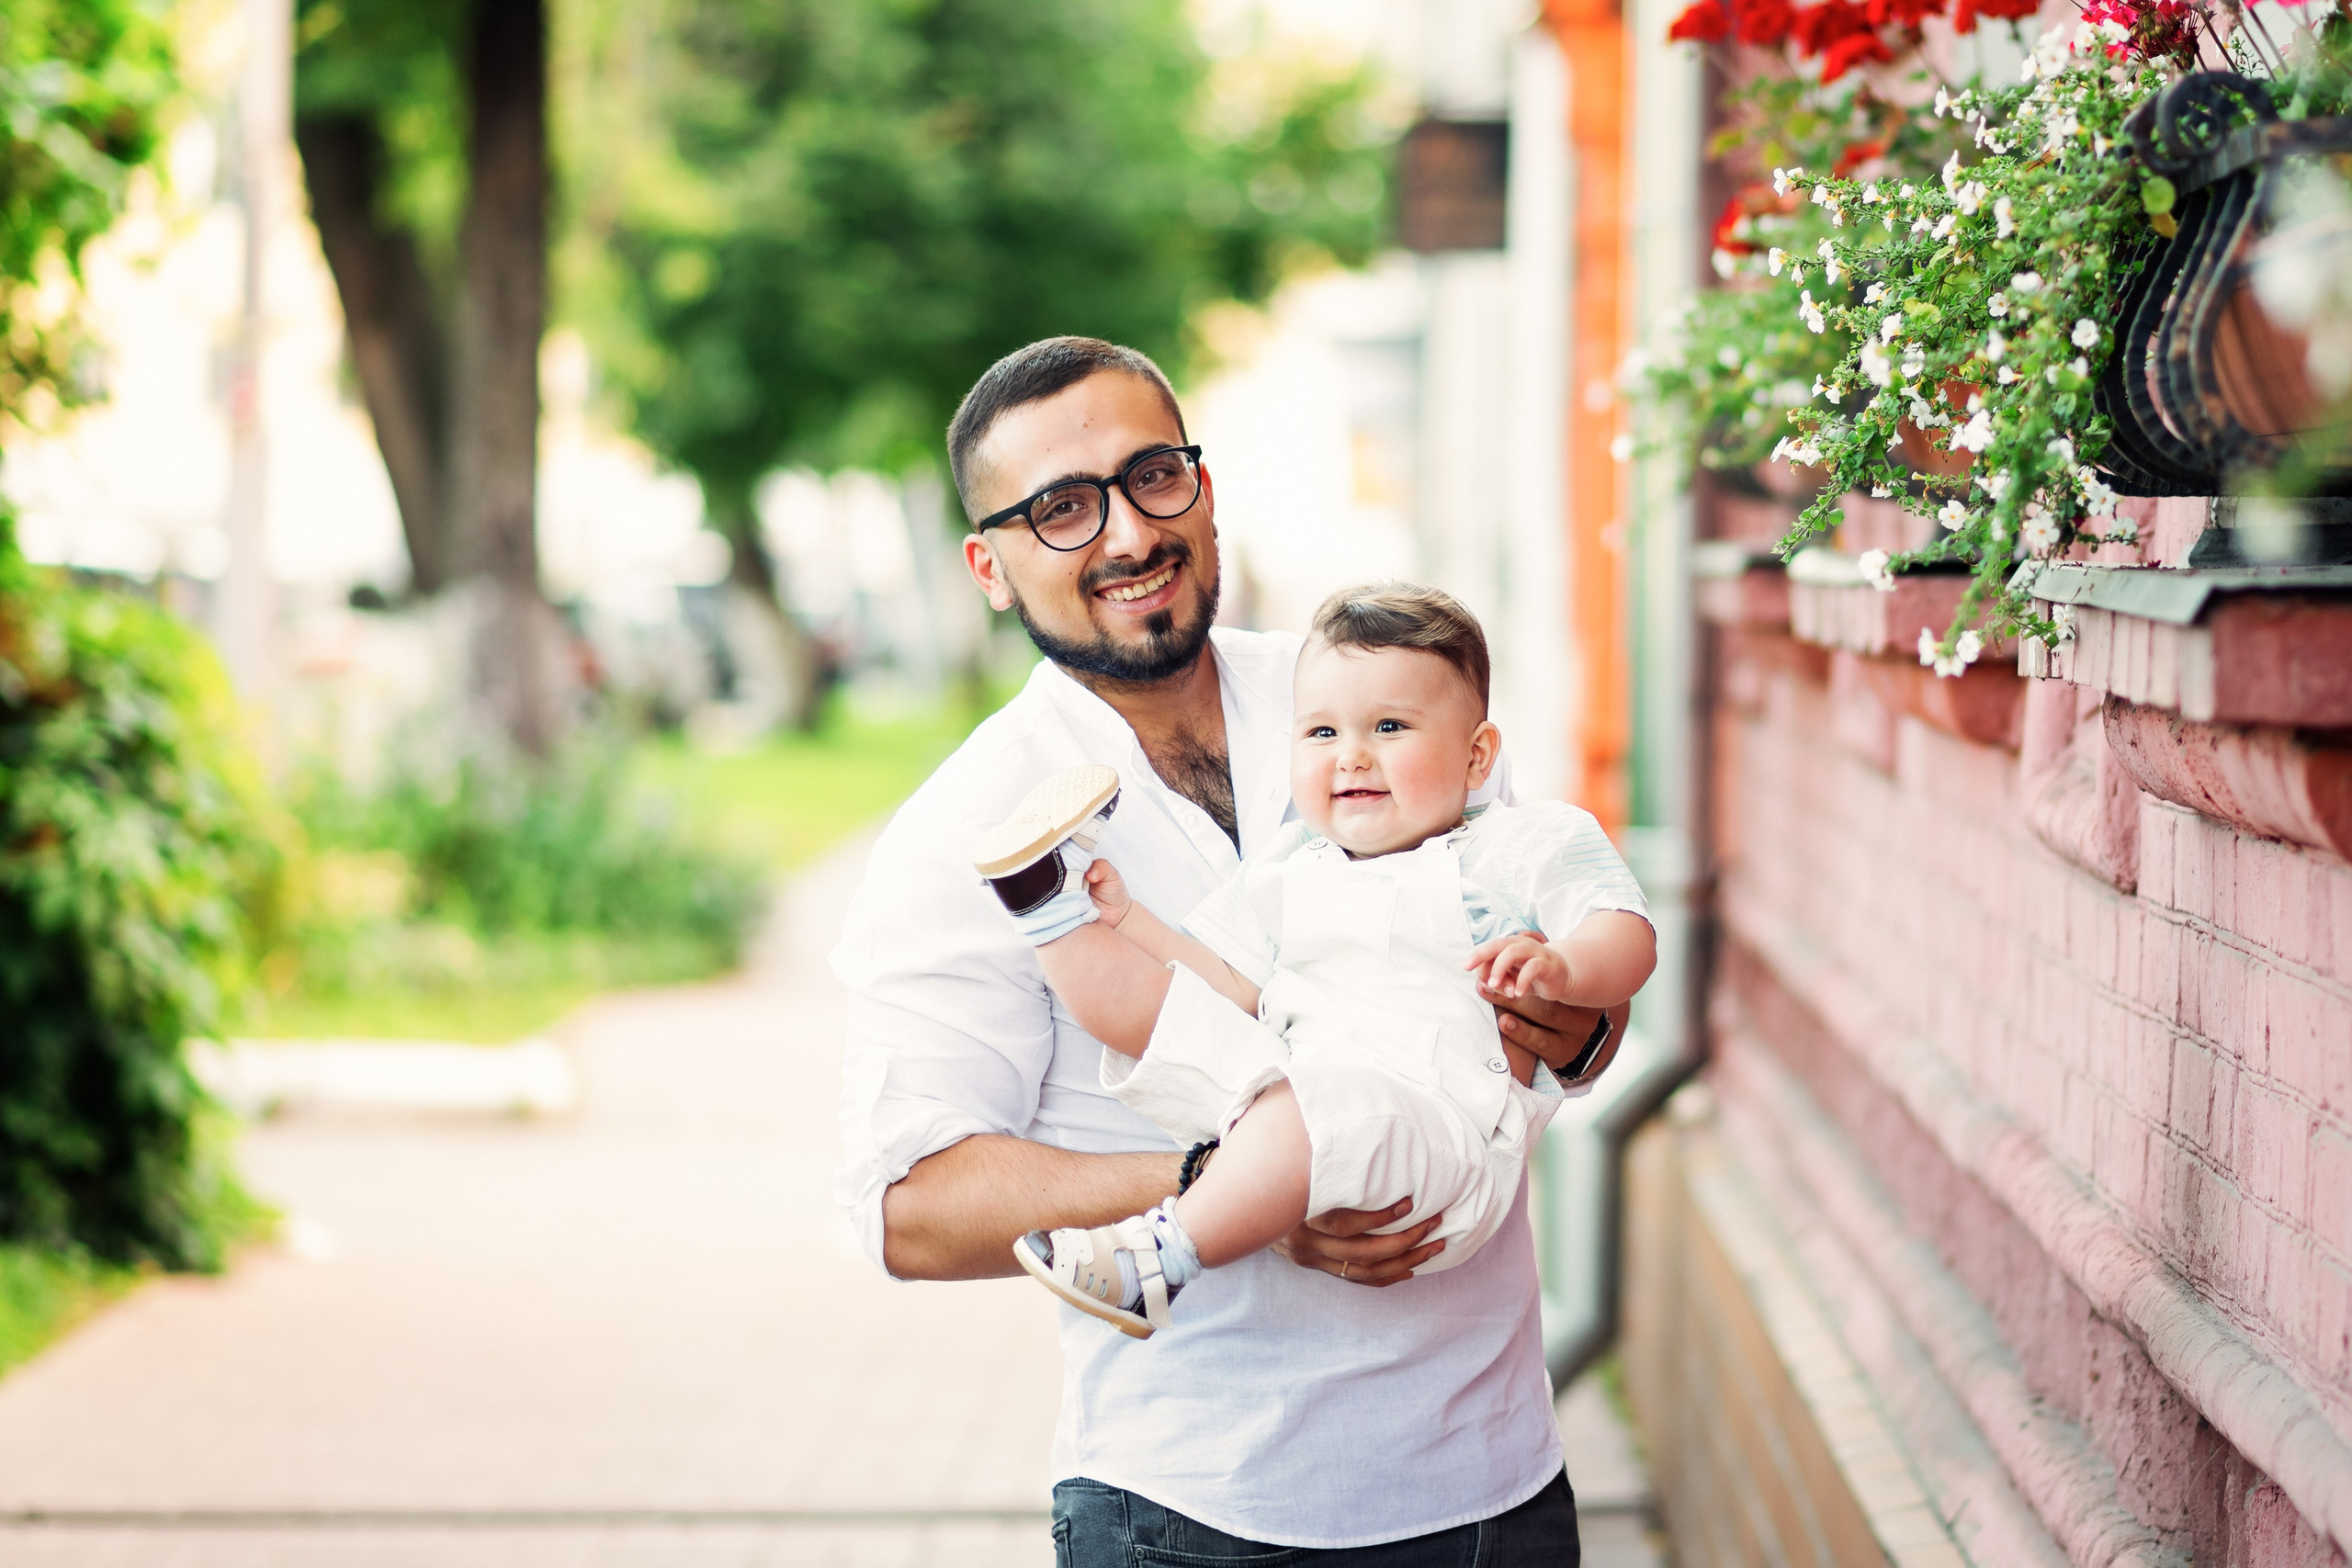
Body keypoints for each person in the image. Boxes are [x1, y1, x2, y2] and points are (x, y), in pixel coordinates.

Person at [831, 336, 1631, 1562]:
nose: (1126, 533)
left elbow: (1554, 1009)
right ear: (988, 565)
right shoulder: (969, 827)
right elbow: (913, 1208)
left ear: (1203, 489)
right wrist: (1233, 1177)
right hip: (1196, 1508)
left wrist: (1572, 1020)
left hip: (1494, 1483)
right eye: (1060, 508)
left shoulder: (1380, 700)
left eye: (1153, 474)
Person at [977, 584, 1654, 1337]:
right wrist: (1129, 919)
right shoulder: (1294, 864)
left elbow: (1626, 932)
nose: (1351, 756)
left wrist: (1563, 965)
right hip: (1299, 1097)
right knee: (1168, 1019)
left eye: (1389, 726)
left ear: (1476, 755)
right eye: (1322, 732)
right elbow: (1225, 982)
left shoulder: (1513, 845)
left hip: (1442, 1133)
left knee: (1305, 1103)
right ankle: (1051, 909)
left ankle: (1159, 1258)